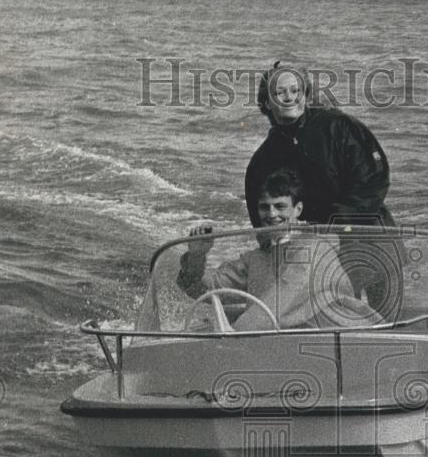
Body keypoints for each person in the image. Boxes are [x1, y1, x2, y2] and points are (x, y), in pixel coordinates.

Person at [246, 61, 402, 316]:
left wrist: (336, 223)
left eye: (296, 91)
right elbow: (264, 223)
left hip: (372, 242)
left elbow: (374, 178)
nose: (289, 98)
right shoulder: (262, 162)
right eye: (279, 93)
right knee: (328, 327)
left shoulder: (339, 126)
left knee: (389, 325)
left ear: (306, 95)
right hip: (314, 260)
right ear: (266, 103)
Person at [171, 169, 382, 332]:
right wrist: (197, 255)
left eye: (280, 206)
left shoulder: (316, 248)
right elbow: (203, 291)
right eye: (265, 207)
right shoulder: (256, 258)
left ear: (298, 209)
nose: (271, 215)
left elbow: (283, 299)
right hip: (279, 345)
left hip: (343, 341)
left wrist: (234, 336)